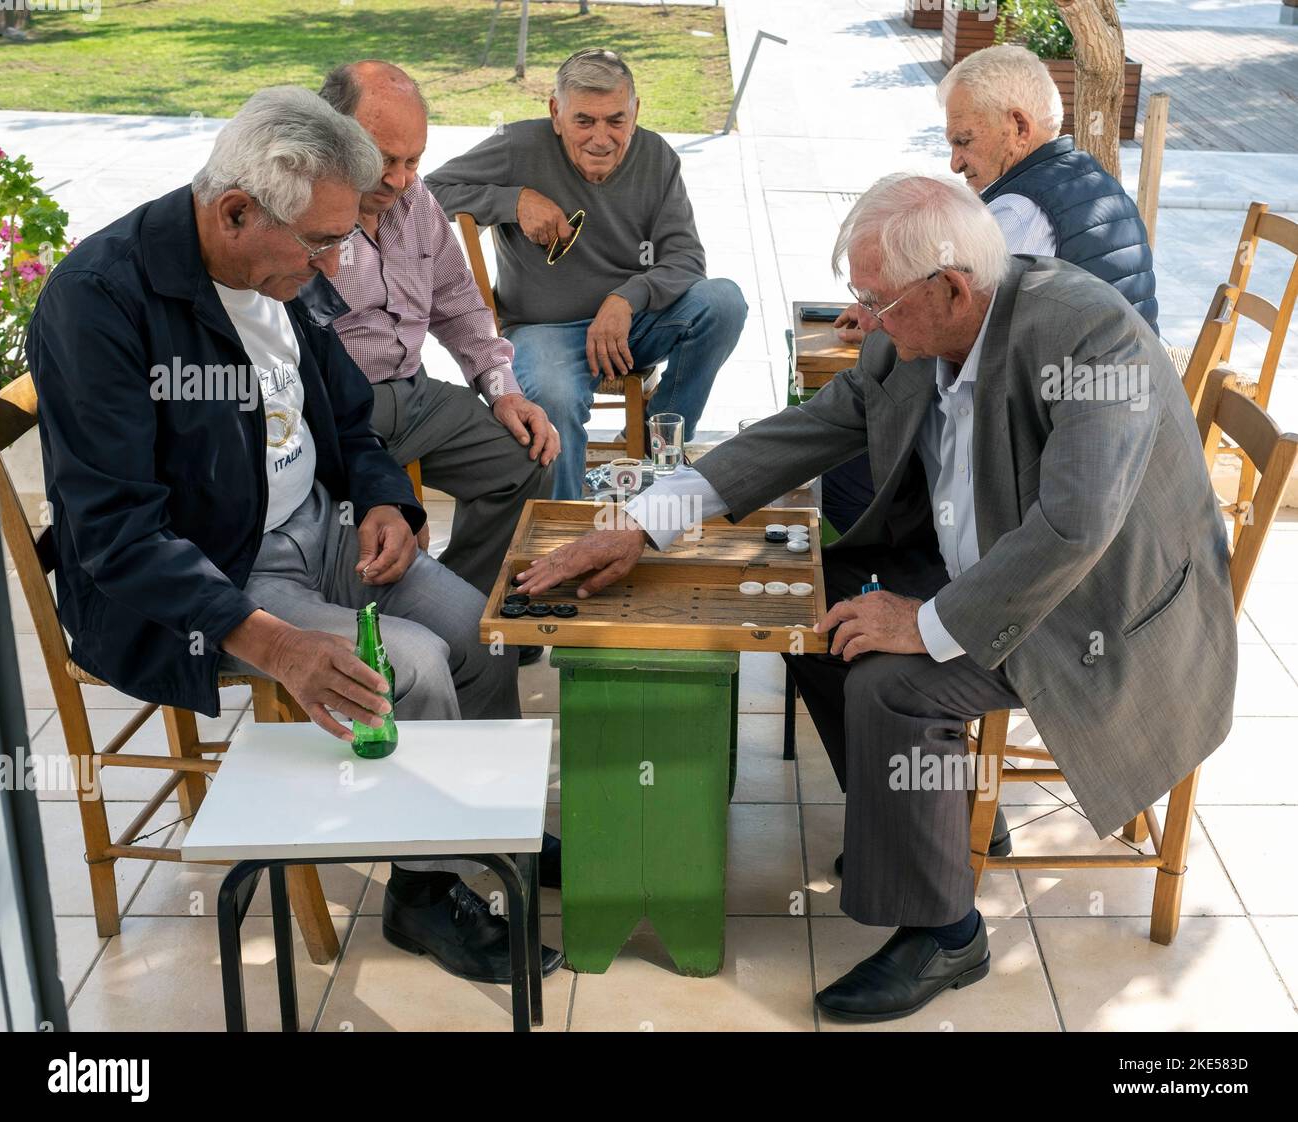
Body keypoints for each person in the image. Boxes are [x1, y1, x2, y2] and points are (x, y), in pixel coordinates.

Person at [511, 174, 1236, 1022]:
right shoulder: (915, 333)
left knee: (889, 679)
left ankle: (948, 933)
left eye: (877, 300)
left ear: (953, 288)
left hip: (1090, 608)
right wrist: (643, 524)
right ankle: (931, 819)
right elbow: (809, 430)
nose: (863, 318)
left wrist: (924, 624)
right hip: (992, 564)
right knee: (819, 620)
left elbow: (1074, 531)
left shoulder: (1087, 334)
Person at [26, 86, 562, 986]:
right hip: (218, 572)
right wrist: (277, 644)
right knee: (413, 665)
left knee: (483, 632)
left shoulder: (276, 275)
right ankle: (421, 896)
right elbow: (117, 535)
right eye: (321, 242)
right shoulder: (101, 304)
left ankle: (474, 820)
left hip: (324, 525)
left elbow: (353, 423)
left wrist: (387, 501)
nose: (334, 263)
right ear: (236, 210)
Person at [823, 43, 1159, 533]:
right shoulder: (1087, 177)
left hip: (1060, 449)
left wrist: (887, 315)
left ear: (1019, 128)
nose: (955, 163)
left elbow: (947, 319)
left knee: (848, 462)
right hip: (1101, 420)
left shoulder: (1019, 212)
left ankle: (927, 586)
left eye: (963, 141)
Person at [426, 47, 748, 499]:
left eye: (616, 120)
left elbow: (687, 260)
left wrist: (626, 299)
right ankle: (564, 527)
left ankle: (659, 459)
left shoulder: (656, 156)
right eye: (584, 121)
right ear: (556, 113)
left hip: (631, 326)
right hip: (543, 331)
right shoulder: (519, 145)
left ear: (635, 112)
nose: (602, 137)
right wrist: (513, 201)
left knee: (724, 302)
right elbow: (426, 193)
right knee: (553, 398)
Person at [310, 60, 556, 620]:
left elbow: (460, 305)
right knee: (353, 537)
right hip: (336, 410)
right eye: (382, 160)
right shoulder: (305, 207)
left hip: (415, 396)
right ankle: (422, 622)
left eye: (412, 160)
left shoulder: (415, 199)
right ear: (333, 137)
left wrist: (504, 391)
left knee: (525, 454)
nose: (398, 179)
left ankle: (464, 608)